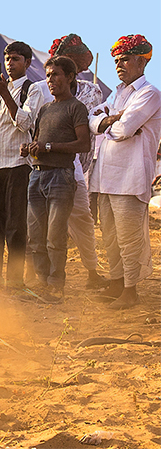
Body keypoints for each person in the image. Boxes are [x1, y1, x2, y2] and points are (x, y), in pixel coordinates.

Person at [89, 34, 161, 310]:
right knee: (109, 234)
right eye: (117, 60)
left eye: (125, 59)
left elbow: (123, 130)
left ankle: (131, 290)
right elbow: (91, 117)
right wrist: (108, 120)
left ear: (142, 62)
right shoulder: (117, 93)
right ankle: (117, 282)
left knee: (129, 237)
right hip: (106, 175)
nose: (119, 64)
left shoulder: (149, 93)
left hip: (130, 177)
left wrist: (107, 123)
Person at [36, 33, 107, 288]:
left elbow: (87, 129)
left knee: (82, 219)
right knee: (40, 223)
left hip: (73, 164)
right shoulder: (41, 90)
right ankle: (43, 277)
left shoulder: (91, 91)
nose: (53, 78)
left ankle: (91, 272)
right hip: (42, 164)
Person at [0, 41, 43, 288]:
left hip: (17, 165)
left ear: (27, 63)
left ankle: (15, 280)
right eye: (7, 59)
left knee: (15, 225)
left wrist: (4, 93)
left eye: (15, 59)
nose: (10, 63)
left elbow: (25, 123)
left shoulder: (32, 90)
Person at [21, 56, 90, 301]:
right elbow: (40, 141)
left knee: (54, 236)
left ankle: (56, 286)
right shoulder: (45, 109)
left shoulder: (76, 107)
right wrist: (30, 147)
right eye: (48, 75)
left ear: (70, 77)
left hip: (61, 177)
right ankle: (42, 284)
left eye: (56, 74)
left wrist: (48, 147)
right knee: (36, 236)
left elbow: (84, 144)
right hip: (37, 175)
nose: (51, 80)